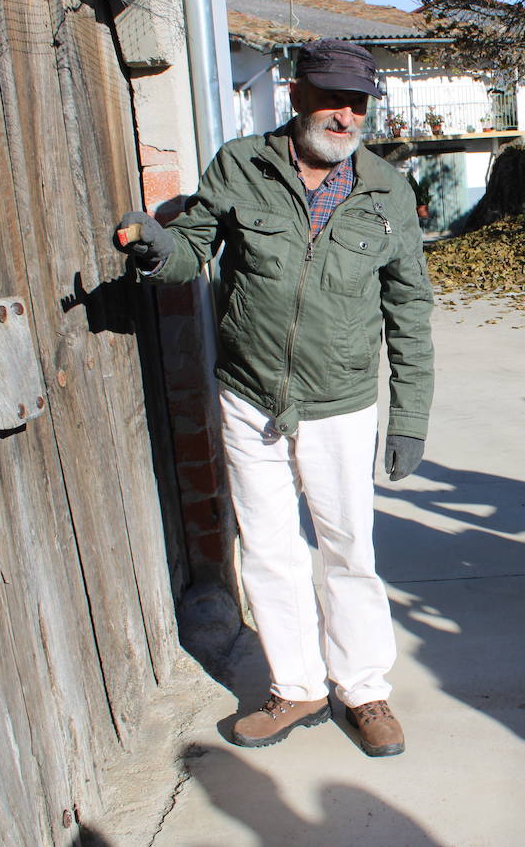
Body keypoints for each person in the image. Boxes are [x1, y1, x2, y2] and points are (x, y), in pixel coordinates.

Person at [114, 39, 435, 756]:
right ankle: (297, 686)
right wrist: (156, 248)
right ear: (296, 95)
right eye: (332, 100)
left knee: (348, 546)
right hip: (250, 393)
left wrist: (409, 416)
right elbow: (192, 248)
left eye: (358, 104)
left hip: (341, 400)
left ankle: (363, 689)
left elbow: (410, 310)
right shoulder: (240, 165)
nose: (346, 116)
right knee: (267, 547)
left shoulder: (386, 190)